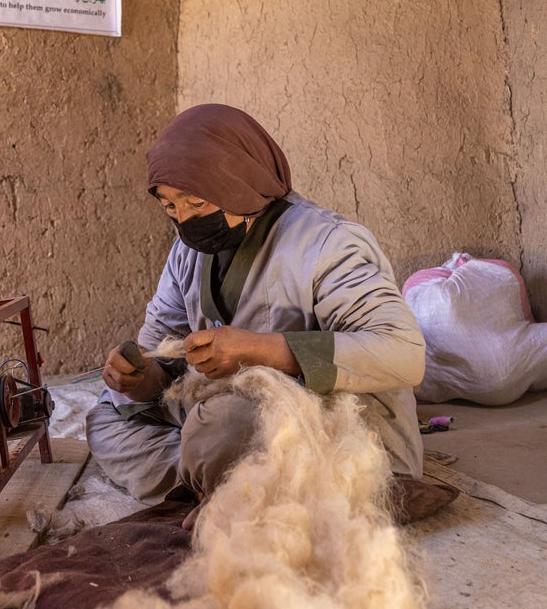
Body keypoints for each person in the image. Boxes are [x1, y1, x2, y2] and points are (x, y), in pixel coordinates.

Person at [86, 103, 425, 518]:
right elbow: (160, 358)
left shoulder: (327, 244)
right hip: (232, 422)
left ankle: (232, 481)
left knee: (223, 423)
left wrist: (259, 350)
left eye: (195, 202)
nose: (183, 220)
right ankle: (236, 486)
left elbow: (403, 353)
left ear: (240, 182)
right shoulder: (186, 254)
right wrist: (137, 379)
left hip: (332, 430)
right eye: (170, 207)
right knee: (108, 415)